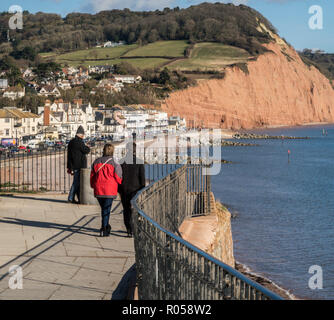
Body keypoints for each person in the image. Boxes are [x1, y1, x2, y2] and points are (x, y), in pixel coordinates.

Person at [90, 143, 122, 237]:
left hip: (99, 189)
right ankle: (104, 228)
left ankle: (106, 226)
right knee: (106, 209)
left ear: (103, 150)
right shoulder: (115, 163)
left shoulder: (96, 162)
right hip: (110, 190)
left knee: (104, 209)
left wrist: (93, 185)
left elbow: (92, 176)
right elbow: (119, 178)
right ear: (112, 151)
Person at [119, 142, 145, 237]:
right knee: (135, 210)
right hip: (135, 190)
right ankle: (135, 228)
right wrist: (142, 190)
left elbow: (118, 177)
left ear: (127, 150)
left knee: (126, 210)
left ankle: (129, 230)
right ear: (135, 150)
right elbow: (142, 179)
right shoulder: (139, 162)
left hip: (124, 190)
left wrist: (119, 190)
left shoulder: (121, 162)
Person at [67, 126, 90, 204]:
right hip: (79, 165)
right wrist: (87, 146)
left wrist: (69, 166)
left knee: (77, 182)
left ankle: (77, 198)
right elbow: (86, 150)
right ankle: (70, 198)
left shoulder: (71, 142)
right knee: (76, 182)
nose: (83, 136)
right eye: (83, 134)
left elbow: (69, 155)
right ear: (80, 134)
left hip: (73, 165)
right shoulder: (79, 142)